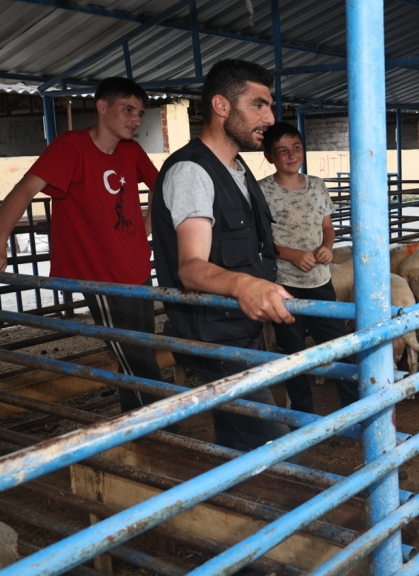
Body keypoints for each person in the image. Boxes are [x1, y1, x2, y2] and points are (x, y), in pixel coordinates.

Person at [150, 59, 293, 451]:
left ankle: (241, 504)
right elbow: (191, 267)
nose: (270, 116)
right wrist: (245, 285)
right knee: (275, 443)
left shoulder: (237, 167)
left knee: (239, 438)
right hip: (213, 336)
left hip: (241, 328)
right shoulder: (193, 172)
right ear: (222, 106)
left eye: (270, 105)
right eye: (259, 105)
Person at [0, 77, 165, 414]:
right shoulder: (70, 147)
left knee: (140, 352)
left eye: (140, 113)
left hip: (136, 268)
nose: (136, 119)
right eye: (128, 109)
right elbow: (24, 190)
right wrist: (0, 240)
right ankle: (164, 431)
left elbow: (165, 188)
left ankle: (135, 424)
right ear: (102, 107)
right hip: (100, 275)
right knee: (138, 359)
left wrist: (144, 229)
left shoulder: (131, 151)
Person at [259, 121, 358, 412]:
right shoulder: (262, 191)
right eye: (282, 151)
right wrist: (290, 254)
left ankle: (353, 408)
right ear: (269, 157)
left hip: (320, 282)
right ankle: (302, 412)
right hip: (284, 284)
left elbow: (327, 226)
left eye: (296, 148)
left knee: (339, 346)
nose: (291, 155)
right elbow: (260, 241)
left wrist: (327, 247)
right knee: (292, 352)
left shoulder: (316, 184)